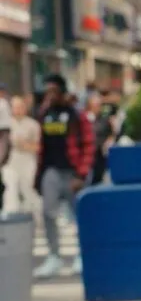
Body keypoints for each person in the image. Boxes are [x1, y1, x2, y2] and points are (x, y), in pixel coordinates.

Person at [33, 74, 94, 278]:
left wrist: (81, 173)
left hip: (72, 171)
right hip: (51, 170)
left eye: (53, 91)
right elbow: (41, 146)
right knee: (48, 214)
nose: (49, 95)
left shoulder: (76, 115)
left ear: (62, 92)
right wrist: (38, 176)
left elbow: (88, 144)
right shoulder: (45, 114)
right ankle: (54, 256)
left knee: (79, 216)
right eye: (47, 90)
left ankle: (82, 256)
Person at [2, 96, 41, 214]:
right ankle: (10, 218)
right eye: (15, 107)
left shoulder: (33, 124)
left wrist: (23, 144)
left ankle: (34, 218)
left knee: (27, 189)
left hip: (27, 161)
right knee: (10, 189)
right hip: (10, 162)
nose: (18, 110)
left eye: (20, 107)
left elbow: (37, 147)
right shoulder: (5, 124)